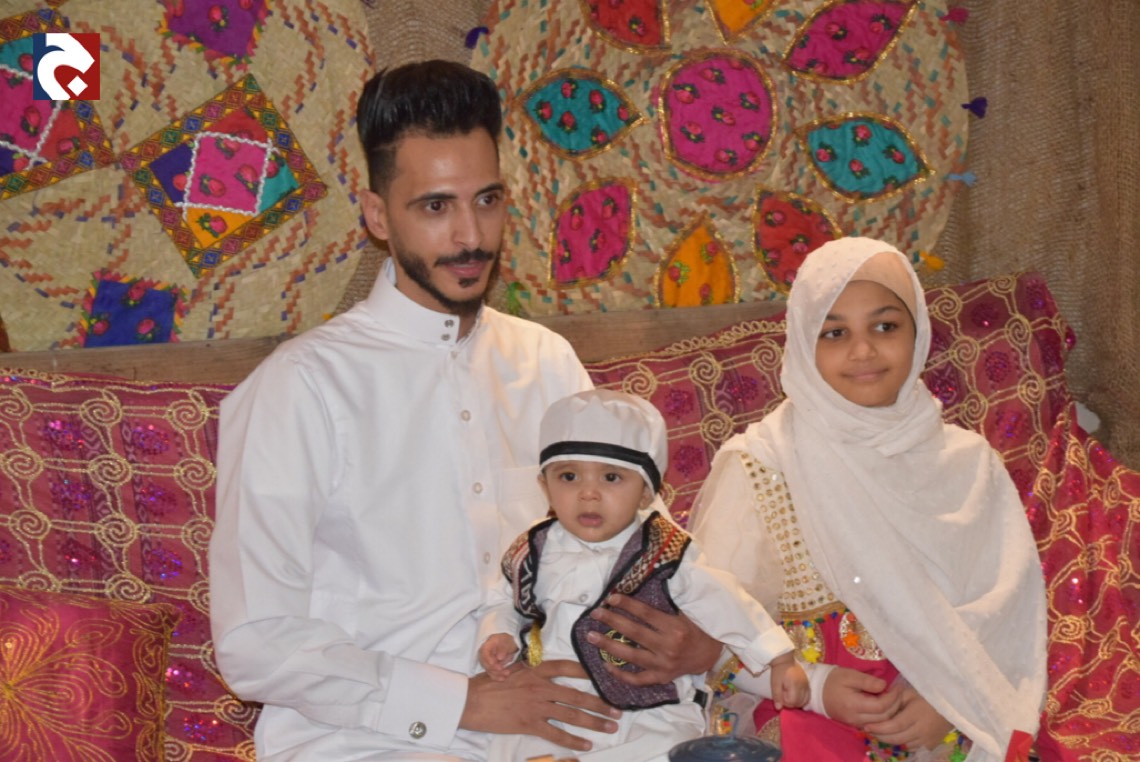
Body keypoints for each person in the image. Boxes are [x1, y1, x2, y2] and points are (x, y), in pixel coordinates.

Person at [209, 59, 716, 761]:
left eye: (487, 200)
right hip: (365, 740)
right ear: (377, 215)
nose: (470, 236)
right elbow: (255, 641)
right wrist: (462, 702)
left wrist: (702, 640)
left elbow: (641, 544)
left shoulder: (546, 363)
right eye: (435, 207)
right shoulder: (301, 387)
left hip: (561, 721)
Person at [689, 237, 1049, 762]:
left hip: (941, 713)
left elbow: (1006, 615)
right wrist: (815, 686)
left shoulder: (969, 464)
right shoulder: (762, 464)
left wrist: (949, 703)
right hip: (803, 711)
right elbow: (710, 631)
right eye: (834, 333)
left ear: (918, 332)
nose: (863, 351)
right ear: (803, 343)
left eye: (885, 327)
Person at [477, 389, 809, 761]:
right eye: (569, 477)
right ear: (545, 487)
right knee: (514, 748)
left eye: (611, 478)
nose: (589, 493)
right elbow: (504, 600)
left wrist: (778, 658)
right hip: (553, 701)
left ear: (646, 494)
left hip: (647, 708)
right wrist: (498, 633)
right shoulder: (531, 549)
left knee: (668, 747)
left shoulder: (666, 550)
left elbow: (726, 602)